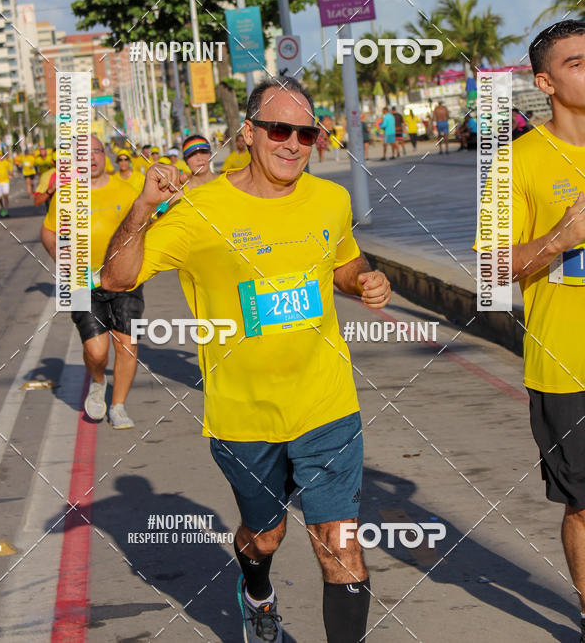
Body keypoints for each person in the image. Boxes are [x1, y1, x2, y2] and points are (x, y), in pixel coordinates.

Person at [100, 77, 392, 643]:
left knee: (341, 543)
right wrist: (141, 209)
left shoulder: (331, 200)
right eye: (279, 130)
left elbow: (343, 262)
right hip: (242, 416)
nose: (294, 144)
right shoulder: (200, 210)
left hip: (327, 404)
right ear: (248, 134)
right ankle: (257, 589)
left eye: (307, 133)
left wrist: (364, 280)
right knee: (266, 536)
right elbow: (116, 277)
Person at [477, 20, 585, 641]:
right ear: (544, 83)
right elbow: (490, 270)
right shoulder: (513, 163)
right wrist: (560, 239)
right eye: (576, 63)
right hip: (566, 365)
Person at [40, 135, 143, 429]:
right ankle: (98, 381)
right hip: (82, 281)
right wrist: (60, 257)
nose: (91, 158)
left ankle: (118, 406)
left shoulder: (127, 191)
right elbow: (48, 232)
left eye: (95, 151)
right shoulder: (65, 196)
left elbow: (147, 226)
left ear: (104, 154)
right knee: (97, 352)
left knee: (127, 344)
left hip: (124, 278)